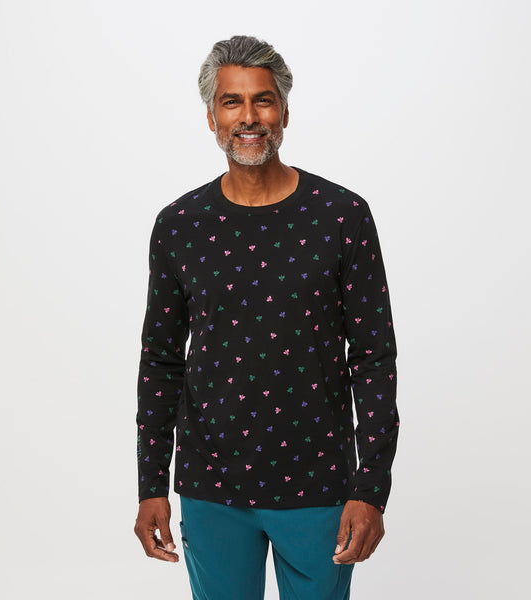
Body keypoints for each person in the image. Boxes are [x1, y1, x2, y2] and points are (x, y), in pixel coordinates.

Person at [134, 35, 399, 600]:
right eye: (232, 101)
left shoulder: (342, 215)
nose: (249, 117)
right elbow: (161, 360)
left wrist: (371, 488)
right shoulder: (179, 224)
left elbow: (373, 359)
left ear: (285, 111)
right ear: (211, 117)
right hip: (211, 486)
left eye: (263, 100)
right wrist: (150, 484)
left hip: (319, 485)